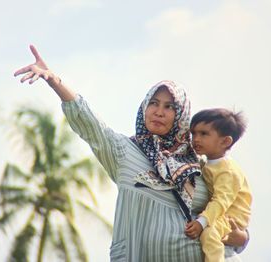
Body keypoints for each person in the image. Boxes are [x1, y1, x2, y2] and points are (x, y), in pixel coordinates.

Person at [14, 45, 248, 262]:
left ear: (181, 116)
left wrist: (243, 237)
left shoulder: (200, 166)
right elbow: (90, 123)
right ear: (144, 107)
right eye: (154, 103)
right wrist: (55, 81)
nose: (159, 112)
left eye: (169, 107)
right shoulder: (123, 151)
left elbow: (230, 215)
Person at [185, 109, 252, 262]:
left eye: (203, 134)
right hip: (219, 214)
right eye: (193, 133)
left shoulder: (228, 171)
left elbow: (221, 200)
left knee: (209, 234)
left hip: (231, 217)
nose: (196, 139)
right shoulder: (207, 163)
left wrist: (202, 222)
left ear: (225, 141)